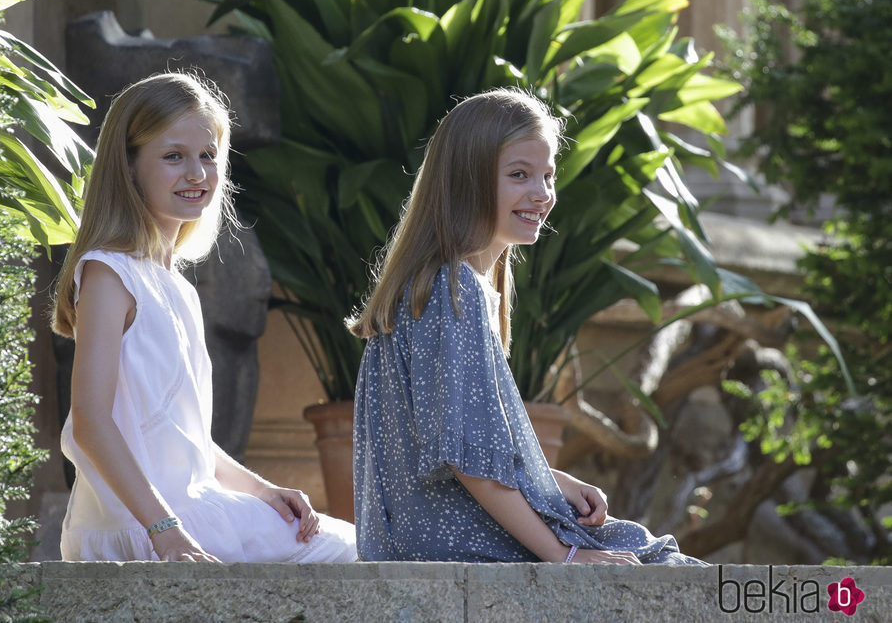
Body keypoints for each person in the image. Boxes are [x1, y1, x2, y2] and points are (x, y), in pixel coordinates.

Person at [348, 87, 704, 565]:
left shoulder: (443, 285)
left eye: (548, 176)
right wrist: (567, 556)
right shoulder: (453, 290)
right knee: (656, 562)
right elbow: (467, 463)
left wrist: (553, 479)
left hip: (428, 536)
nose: (542, 194)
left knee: (642, 550)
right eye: (519, 175)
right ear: (465, 180)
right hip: (452, 542)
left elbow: (466, 448)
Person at [52, 72, 356, 563]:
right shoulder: (110, 273)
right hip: (143, 528)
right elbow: (90, 421)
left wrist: (264, 490)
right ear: (128, 167)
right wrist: (165, 531)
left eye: (208, 155)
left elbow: (183, 442)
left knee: (355, 548)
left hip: (183, 514)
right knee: (356, 553)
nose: (196, 173)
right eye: (173, 156)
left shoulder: (177, 288)